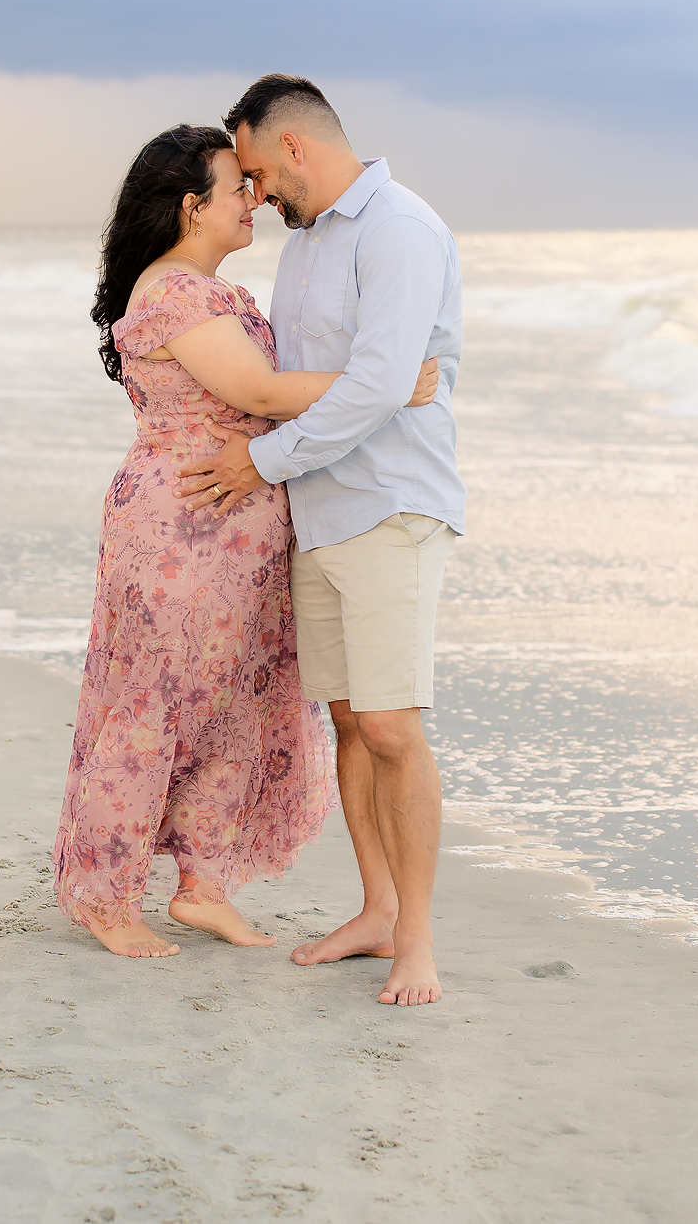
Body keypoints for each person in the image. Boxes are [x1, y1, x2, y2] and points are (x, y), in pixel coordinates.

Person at [52, 123, 440, 959]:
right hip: (184, 525)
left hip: (244, 524)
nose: (254, 198)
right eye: (238, 187)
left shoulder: (210, 289)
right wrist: (388, 383)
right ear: (193, 208)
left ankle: (204, 886)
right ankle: (110, 897)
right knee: (153, 705)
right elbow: (256, 388)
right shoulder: (174, 294)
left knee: (232, 707)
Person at [175, 76, 465, 1006]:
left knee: (390, 723)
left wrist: (261, 460)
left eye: (258, 171)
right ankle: (376, 908)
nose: (257, 194)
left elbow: (379, 384)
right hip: (319, 510)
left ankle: (416, 938)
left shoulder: (400, 229)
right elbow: (306, 380)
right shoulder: (302, 252)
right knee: (346, 720)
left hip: (389, 505)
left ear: (295, 147)